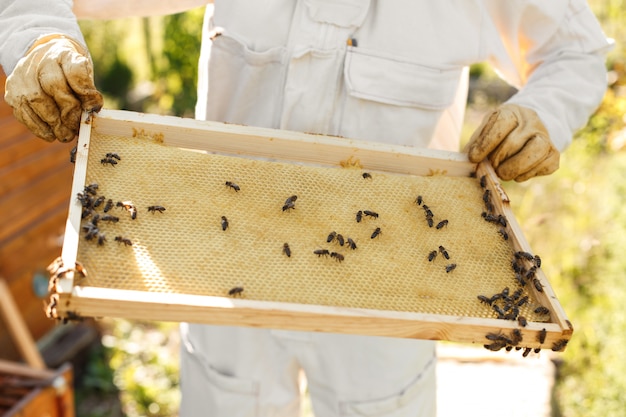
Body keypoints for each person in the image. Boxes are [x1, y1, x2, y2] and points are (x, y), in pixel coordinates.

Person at [0, 1, 611, 416]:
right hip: (221, 279)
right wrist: (38, 40)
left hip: (393, 289)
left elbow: (576, 53)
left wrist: (545, 115)